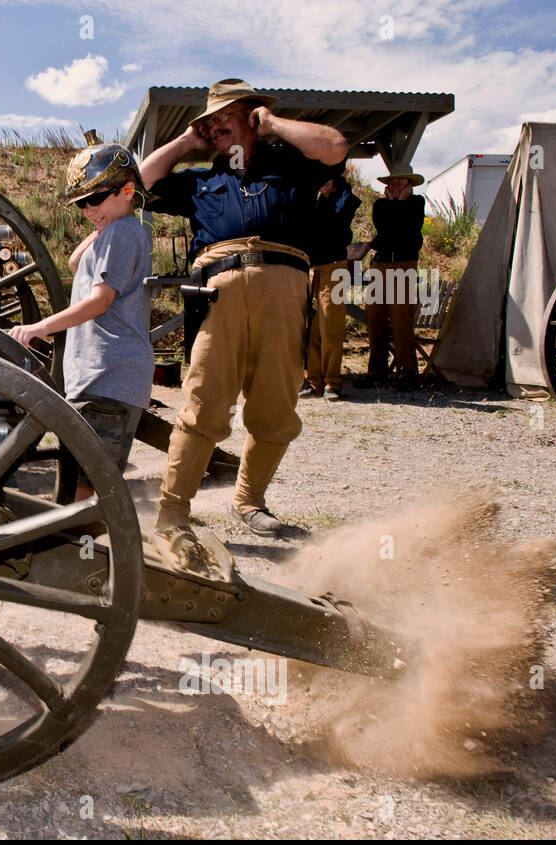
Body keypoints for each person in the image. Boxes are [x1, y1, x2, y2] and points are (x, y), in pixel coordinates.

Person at [138, 78, 348, 539]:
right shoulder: (201, 180)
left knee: (276, 408)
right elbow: (143, 181)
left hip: (285, 290)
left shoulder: (293, 166)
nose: (214, 128)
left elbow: (334, 147)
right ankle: (173, 514)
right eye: (208, 123)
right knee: (203, 404)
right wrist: (189, 140)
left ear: (252, 115)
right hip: (219, 295)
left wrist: (272, 123)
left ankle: (250, 502)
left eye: (224, 117)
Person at [9, 131, 153, 500]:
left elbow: (99, 301)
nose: (88, 210)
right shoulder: (116, 229)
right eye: (80, 204)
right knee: (74, 480)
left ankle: (89, 551)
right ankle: (77, 546)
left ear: (128, 190)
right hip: (97, 376)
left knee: (87, 489)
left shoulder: (122, 233)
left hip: (110, 376)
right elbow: (76, 262)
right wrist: (103, 219)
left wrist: (41, 327)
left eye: (94, 198)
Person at [351, 168, 425, 389]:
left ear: (409, 186)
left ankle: (408, 371)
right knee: (375, 317)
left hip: (403, 264)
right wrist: (396, 203)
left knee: (401, 317)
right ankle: (377, 369)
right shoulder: (381, 206)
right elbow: (386, 230)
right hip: (381, 264)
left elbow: (407, 229)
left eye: (400, 183)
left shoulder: (416, 203)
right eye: (392, 183)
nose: (395, 186)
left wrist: (401, 202)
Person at [299, 174, 361, 400]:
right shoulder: (319, 201)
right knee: (314, 328)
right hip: (317, 268)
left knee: (330, 326)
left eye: (328, 176)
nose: (323, 181)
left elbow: (336, 218)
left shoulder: (344, 199)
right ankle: (315, 380)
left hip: (334, 266)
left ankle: (332, 382)